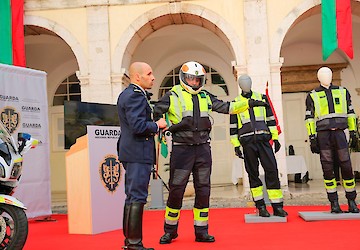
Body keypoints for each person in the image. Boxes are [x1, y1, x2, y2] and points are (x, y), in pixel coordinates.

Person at [153, 61, 268, 244]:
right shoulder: (173, 94)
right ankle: (170, 231)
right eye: (191, 78)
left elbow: (227, 107)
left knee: (203, 190)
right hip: (182, 149)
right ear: (184, 78)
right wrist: (164, 125)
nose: (195, 82)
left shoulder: (206, 96)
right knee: (176, 190)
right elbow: (155, 111)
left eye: (198, 79)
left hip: (203, 149)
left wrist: (249, 103)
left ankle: (201, 231)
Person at [117, 62, 167, 250]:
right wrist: (157, 125)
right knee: (137, 196)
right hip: (138, 152)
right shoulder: (135, 97)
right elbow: (138, 126)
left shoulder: (129, 95)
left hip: (133, 151)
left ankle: (130, 242)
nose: (153, 77)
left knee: (132, 197)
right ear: (137, 77)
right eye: (149, 73)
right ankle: (134, 244)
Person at [229, 74, 288, 217]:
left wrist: (275, 138)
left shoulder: (262, 98)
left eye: (248, 81)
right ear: (239, 85)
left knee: (272, 170)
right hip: (247, 143)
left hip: (263, 141)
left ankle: (277, 206)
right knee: (253, 174)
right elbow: (233, 127)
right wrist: (236, 145)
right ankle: (260, 206)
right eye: (243, 82)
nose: (246, 84)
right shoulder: (235, 103)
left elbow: (271, 119)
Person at [305, 66, 359, 213]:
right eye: (323, 75)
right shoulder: (312, 95)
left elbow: (351, 112)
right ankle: (334, 203)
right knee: (327, 168)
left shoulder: (343, 91)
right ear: (318, 77)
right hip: (324, 135)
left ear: (332, 75)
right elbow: (309, 118)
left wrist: (353, 132)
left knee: (346, 167)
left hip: (340, 133)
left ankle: (352, 201)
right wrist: (312, 137)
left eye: (328, 74)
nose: (326, 77)